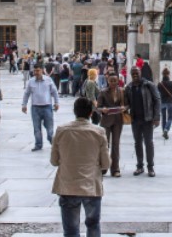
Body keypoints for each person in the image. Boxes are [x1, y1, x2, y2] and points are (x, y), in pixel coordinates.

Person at [51, 96, 110, 237]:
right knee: (93, 224)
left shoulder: (61, 130)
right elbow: (106, 163)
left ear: (74, 111)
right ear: (91, 113)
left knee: (71, 230)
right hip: (91, 186)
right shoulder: (99, 132)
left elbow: (54, 161)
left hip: (68, 185)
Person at [123, 66, 160, 177]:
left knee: (148, 143)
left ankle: (150, 167)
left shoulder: (149, 85)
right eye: (133, 74)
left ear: (140, 73)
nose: (135, 75)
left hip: (147, 119)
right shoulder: (129, 87)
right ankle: (140, 166)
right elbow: (127, 102)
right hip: (135, 119)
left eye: (137, 73)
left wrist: (157, 117)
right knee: (137, 143)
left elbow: (157, 100)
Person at [22, 63, 60, 150]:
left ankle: (52, 141)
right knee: (36, 128)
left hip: (47, 107)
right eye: (34, 71)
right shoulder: (31, 81)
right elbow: (26, 94)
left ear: (42, 70)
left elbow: (54, 92)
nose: (36, 72)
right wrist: (24, 105)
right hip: (35, 108)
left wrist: (56, 103)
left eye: (38, 70)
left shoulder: (48, 80)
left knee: (50, 128)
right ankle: (38, 144)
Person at [97, 73, 125, 177]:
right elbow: (97, 107)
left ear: (118, 81)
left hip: (118, 121)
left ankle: (115, 169)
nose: (113, 83)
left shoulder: (121, 91)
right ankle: (103, 168)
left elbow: (126, 104)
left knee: (116, 145)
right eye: (111, 81)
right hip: (106, 121)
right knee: (105, 145)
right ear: (108, 81)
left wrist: (124, 108)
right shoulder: (103, 92)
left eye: (115, 80)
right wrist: (102, 110)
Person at [157, 67, 172, 139]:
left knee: (163, 117)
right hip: (170, 102)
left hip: (162, 102)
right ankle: (166, 130)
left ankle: (164, 131)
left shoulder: (160, 84)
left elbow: (158, 93)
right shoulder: (171, 83)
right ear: (168, 74)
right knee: (170, 117)